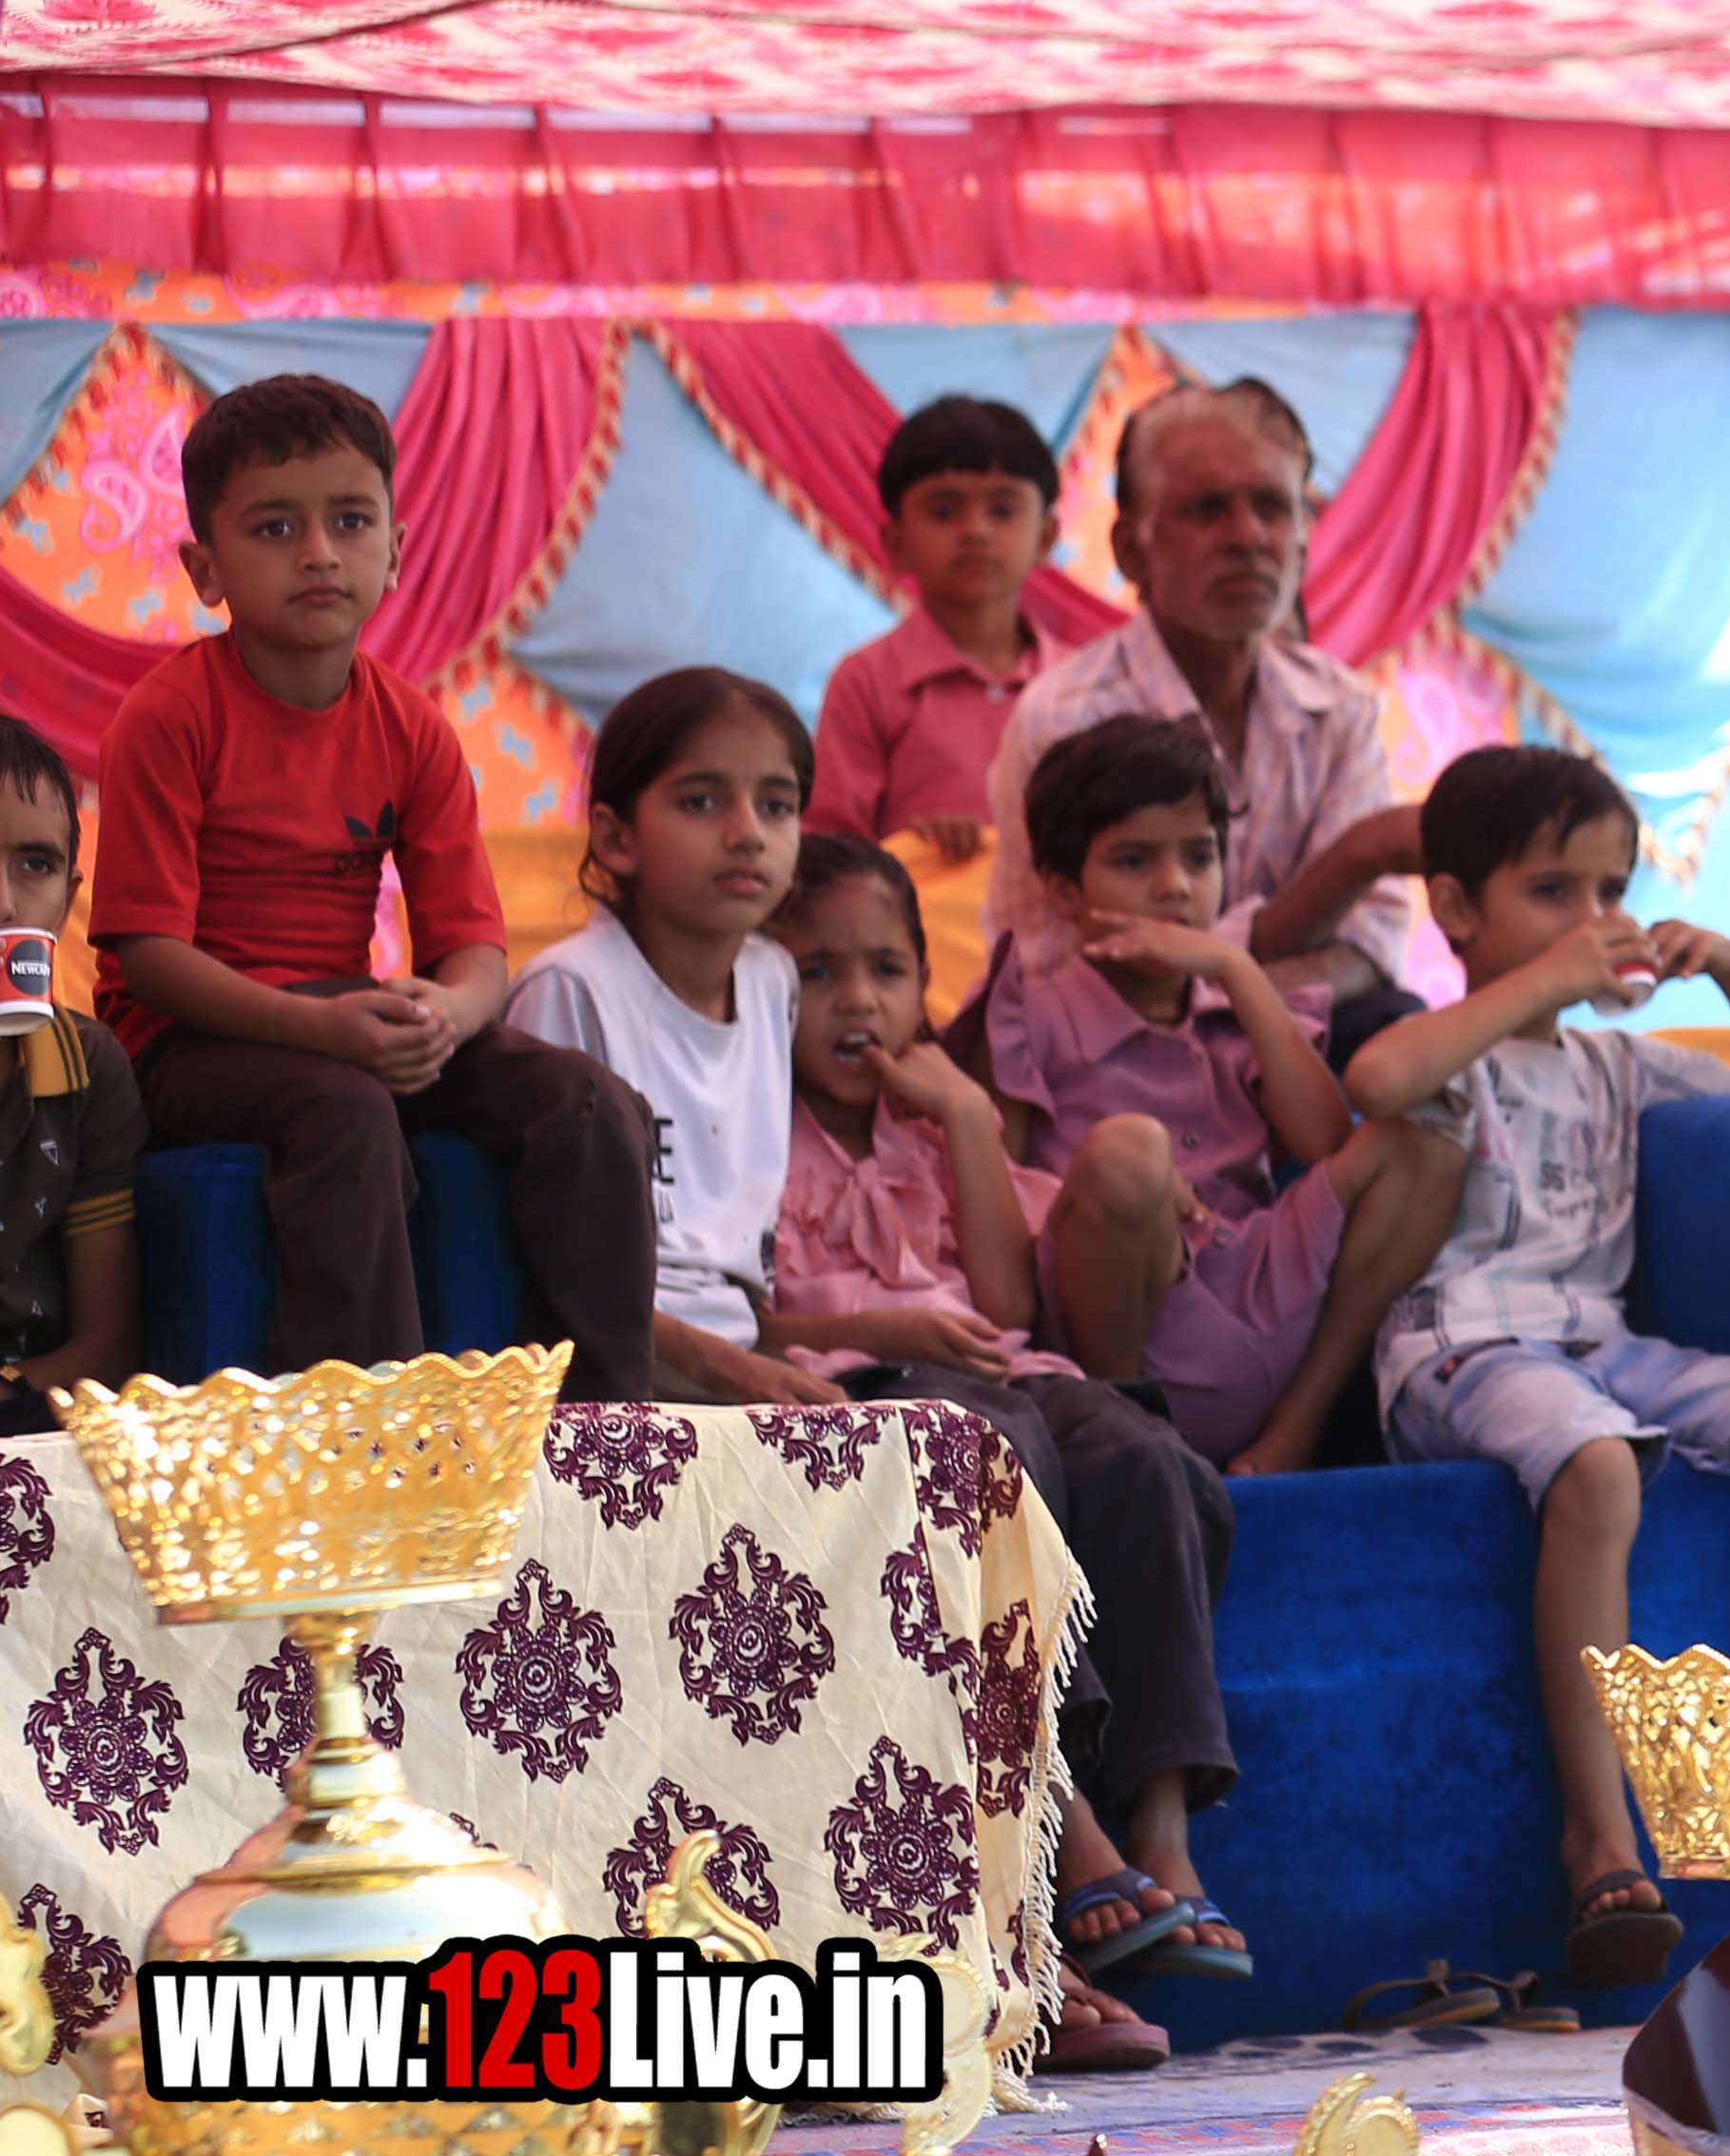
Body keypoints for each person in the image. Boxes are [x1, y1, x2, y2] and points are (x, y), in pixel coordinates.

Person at [1351, 745, 1730, 1991]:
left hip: (1598, 1340)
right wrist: (1545, 979)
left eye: (1611, 893)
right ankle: (1598, 1841)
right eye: (1553, 893)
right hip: (1458, 1341)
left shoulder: (1623, 1066)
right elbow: (1377, 1081)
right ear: (1454, 908)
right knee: (1597, 1468)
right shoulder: (1442, 1046)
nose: (1595, 923)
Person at [90, 374, 660, 1395]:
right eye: (275, 528)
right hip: (185, 1044)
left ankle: (604, 1421)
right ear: (204, 569)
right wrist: (322, 1030)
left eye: (350, 521)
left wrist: (443, 1017)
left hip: (344, 1020)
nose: (318, 552)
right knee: (347, 1108)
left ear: (394, 553)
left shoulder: (413, 728)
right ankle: (361, 1434)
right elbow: (150, 962)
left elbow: (473, 952)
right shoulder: (170, 716)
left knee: (586, 1104)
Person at [769, 827, 1225, 2047]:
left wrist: (967, 1111)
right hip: (865, 1385)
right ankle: (1060, 1816)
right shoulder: (749, 1124)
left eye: (887, 971)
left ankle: (1164, 1826)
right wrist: (881, 1320)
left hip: (998, 1365)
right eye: (817, 973)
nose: (858, 1002)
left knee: (1142, 1456)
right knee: (996, 1448)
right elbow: (744, 1308)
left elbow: (1012, 1302)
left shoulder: (934, 1125)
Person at [965, 713, 1454, 1481]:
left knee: (1424, 1140)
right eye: (1135, 860)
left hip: (1255, 1288)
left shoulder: (1241, 1006)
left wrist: (1236, 970)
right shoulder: (1026, 1008)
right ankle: (1123, 1429)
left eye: (1200, 856)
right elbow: (1000, 1199)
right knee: (1131, 1152)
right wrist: (1145, 1189)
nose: (1176, 886)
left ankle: (1298, 1425)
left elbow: (1325, 1144)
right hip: (1123, 1321)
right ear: (1062, 890)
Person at [985, 379, 1419, 1049]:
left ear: (1304, 540)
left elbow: (1371, 942)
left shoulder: (1338, 706)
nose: (1247, 536)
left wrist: (1233, 994)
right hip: (1101, 1063)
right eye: (1207, 509)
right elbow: (1104, 969)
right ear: (1131, 551)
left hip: (1295, 1044)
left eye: (1272, 506)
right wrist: (1356, 859)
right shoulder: (1072, 718)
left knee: (1407, 1046)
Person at [506, 670, 846, 1412]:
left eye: (776, 805)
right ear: (615, 838)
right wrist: (728, 1369)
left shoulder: (773, 980)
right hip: (614, 1368)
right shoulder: (571, 989)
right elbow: (548, 1270)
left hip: (743, 1354)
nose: (747, 833)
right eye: (701, 802)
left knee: (983, 1421)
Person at [811, 394, 1066, 859]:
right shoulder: (866, 683)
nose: (976, 531)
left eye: (1003, 510)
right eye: (944, 512)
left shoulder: (1084, 685)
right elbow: (829, 855)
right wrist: (911, 849)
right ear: (896, 543)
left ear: (1046, 538)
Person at [0, 717, 145, 1432]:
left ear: (67, 898)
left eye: (35, 864)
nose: (4, 903)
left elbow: (107, 1350)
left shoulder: (90, 1069)